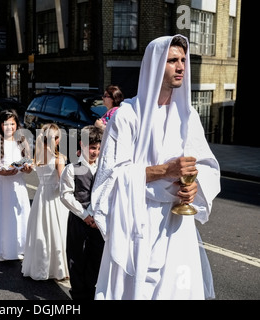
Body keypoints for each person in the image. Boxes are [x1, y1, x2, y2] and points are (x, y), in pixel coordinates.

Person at [91, 35, 221, 300]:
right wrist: (166, 171)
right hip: (140, 221)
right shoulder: (127, 115)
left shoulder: (188, 116)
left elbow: (205, 164)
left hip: (179, 225)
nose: (181, 66)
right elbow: (110, 177)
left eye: (183, 60)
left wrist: (194, 187)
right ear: (155, 65)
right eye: (173, 60)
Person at [0, 109, 32, 261]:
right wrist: (1, 172)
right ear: (0, 125)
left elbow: (28, 163)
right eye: (6, 124)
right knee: (2, 215)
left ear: (17, 125)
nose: (9, 127)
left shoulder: (22, 142)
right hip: (2, 185)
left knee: (19, 214)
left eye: (12, 124)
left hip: (18, 184)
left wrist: (27, 168)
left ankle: (20, 246)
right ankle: (1, 247)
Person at [59, 125, 104, 300]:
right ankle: (78, 295)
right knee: (77, 257)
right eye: (93, 148)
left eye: (99, 148)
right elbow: (66, 195)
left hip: (99, 221)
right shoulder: (72, 168)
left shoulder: (103, 167)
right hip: (79, 219)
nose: (96, 152)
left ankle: (91, 291)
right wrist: (85, 215)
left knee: (96, 257)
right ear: (82, 145)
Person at [22, 123, 69, 281]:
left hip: (41, 196)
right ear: (57, 140)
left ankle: (39, 266)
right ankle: (57, 269)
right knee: (55, 230)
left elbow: (31, 169)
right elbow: (63, 182)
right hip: (54, 198)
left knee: (40, 230)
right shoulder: (59, 159)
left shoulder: (39, 157)